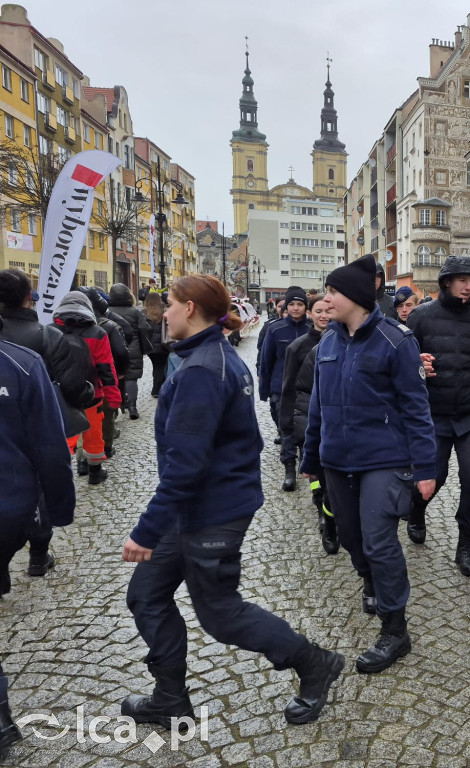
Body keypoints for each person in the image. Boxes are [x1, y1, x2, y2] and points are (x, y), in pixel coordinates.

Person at [121, 274, 344, 727]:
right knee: (146, 595)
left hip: (212, 513)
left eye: (170, 304)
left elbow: (186, 466)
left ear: (190, 309)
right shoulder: (205, 357)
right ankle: (170, 697)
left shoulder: (204, 368)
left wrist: (145, 530)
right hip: (193, 510)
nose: (163, 313)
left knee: (220, 614)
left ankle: (314, 662)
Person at [301, 255, 436, 673]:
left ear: (356, 297)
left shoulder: (397, 340)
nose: (325, 300)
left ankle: (395, 629)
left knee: (379, 541)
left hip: (385, 460)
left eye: (333, 292)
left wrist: (427, 468)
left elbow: (417, 410)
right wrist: (310, 457)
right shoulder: (328, 341)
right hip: (337, 461)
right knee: (352, 540)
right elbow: (317, 408)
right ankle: (372, 580)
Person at [0, 310, 77, 755]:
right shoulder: (23, 364)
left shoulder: (25, 364)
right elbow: (51, 448)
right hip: (10, 508)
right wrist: (58, 512)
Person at [405, 256, 470, 577]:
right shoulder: (420, 317)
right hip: (433, 416)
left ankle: (465, 545)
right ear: (446, 282)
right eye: (462, 280)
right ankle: (416, 511)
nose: (468, 287)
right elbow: (400, 362)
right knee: (434, 477)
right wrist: (417, 366)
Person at [0, 270, 89, 582]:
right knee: (34, 479)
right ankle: (39, 552)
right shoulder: (47, 336)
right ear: (28, 298)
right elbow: (70, 384)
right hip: (35, 421)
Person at [277, 296, 341, 559]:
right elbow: (289, 388)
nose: (324, 315)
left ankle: (329, 512)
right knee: (316, 474)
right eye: (319, 311)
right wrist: (288, 427)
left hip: (335, 422)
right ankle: (320, 508)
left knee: (331, 479)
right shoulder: (298, 347)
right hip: (308, 419)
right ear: (311, 314)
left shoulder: (343, 343)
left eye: (328, 311)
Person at [54, 292, 121, 485]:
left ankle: (61, 476)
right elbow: (106, 368)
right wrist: (114, 397)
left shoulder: (50, 331)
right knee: (93, 435)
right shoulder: (97, 333)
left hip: (62, 395)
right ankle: (95, 472)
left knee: (66, 435)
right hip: (93, 394)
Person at [260, 287, 311, 489]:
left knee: (307, 431)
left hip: (307, 390)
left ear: (306, 307)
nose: (296, 308)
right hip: (281, 388)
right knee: (286, 430)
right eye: (292, 304)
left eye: (299, 304)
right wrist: (265, 390)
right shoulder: (276, 329)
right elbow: (266, 361)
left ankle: (305, 464)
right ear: (286, 307)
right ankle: (289, 470)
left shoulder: (312, 328)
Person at [76, 287, 129, 462]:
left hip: (74, 381)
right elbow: (121, 352)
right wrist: (121, 372)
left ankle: (83, 456)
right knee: (104, 415)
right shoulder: (107, 326)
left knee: (81, 418)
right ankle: (103, 450)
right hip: (101, 380)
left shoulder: (65, 327)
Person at [106, 283, 153, 419]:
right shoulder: (135, 311)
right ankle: (132, 407)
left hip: (113, 349)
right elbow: (145, 328)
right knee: (131, 378)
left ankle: (117, 407)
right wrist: (144, 345)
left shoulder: (107, 311)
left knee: (115, 378)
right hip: (133, 348)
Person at [144, 291, 170, 397]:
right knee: (161, 367)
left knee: (157, 367)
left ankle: (159, 388)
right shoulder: (163, 310)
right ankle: (156, 390)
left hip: (150, 346)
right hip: (163, 344)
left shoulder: (144, 312)